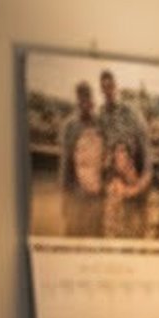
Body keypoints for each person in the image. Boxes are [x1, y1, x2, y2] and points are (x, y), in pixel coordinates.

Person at [59, 79, 106, 237]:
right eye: (82, 98)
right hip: (76, 190)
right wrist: (65, 197)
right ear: (78, 100)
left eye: (88, 97)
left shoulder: (100, 123)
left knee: (96, 233)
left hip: (96, 192)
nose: (85, 102)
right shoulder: (70, 126)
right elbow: (66, 162)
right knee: (73, 232)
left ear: (92, 99)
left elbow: (104, 157)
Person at [98, 66, 153, 190]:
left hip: (131, 169)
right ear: (101, 90)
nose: (108, 91)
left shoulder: (129, 111)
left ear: (115, 87)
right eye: (104, 87)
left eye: (110, 86)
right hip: (112, 172)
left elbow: (144, 141)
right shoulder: (101, 115)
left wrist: (145, 174)